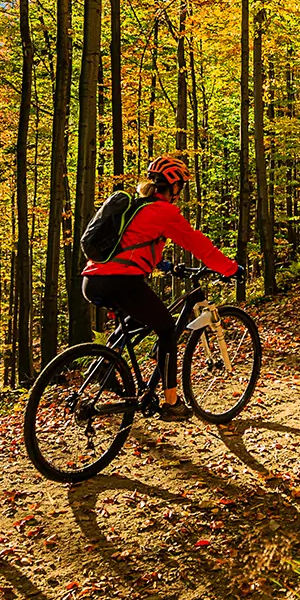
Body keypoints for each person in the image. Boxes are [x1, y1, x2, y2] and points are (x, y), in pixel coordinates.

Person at [81, 154, 239, 422]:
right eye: (182, 186)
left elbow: (131, 246)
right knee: (167, 329)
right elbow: (198, 245)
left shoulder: (138, 207)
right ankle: (172, 403)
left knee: (134, 320)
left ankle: (104, 365)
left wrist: (166, 266)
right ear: (174, 186)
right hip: (122, 281)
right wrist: (231, 269)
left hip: (93, 279)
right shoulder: (164, 212)